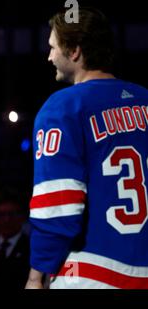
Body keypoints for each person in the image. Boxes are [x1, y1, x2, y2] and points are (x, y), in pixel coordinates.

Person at [26, 8, 148, 289]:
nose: (49, 57)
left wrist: (36, 275)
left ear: (75, 52)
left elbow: (57, 204)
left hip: (91, 272)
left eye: (53, 48)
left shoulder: (62, 107)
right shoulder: (145, 99)